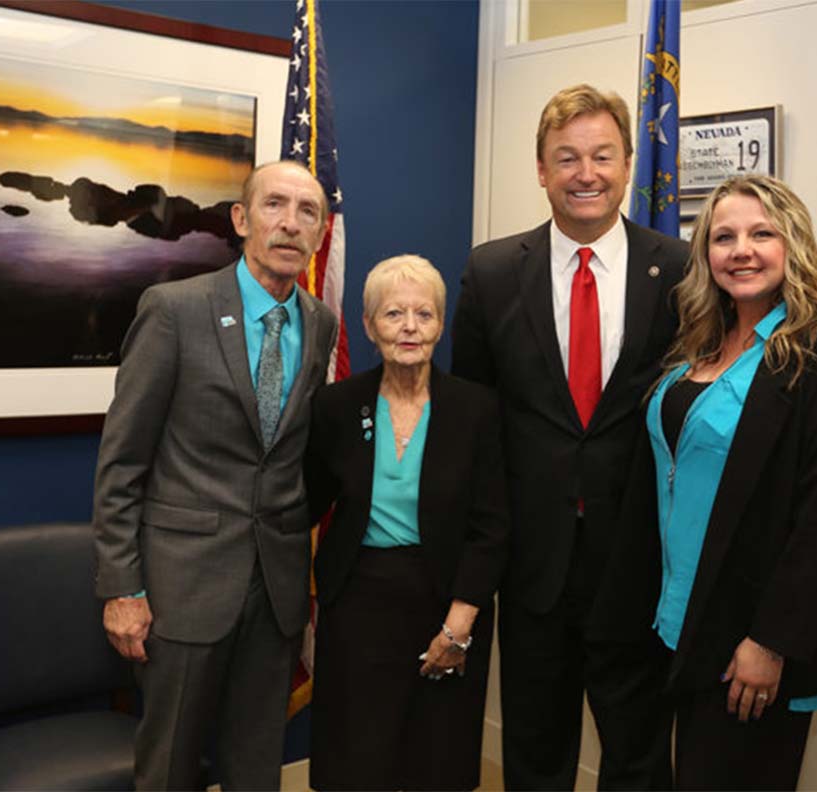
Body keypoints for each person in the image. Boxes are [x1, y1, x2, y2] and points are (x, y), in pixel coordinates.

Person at [452, 83, 689, 790]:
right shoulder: (492, 271)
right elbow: (474, 420)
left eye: (602, 156)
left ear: (626, 168)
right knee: (534, 752)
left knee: (639, 757)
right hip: (533, 565)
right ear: (541, 169)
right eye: (567, 158)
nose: (586, 173)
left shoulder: (680, 271)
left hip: (639, 560)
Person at [614, 173, 817, 791]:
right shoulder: (696, 343)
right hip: (677, 621)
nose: (742, 250)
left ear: (793, 246)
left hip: (749, 642)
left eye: (762, 233)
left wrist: (770, 642)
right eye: (724, 236)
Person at [93, 160, 338, 791]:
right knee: (171, 765)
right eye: (274, 205)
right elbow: (122, 461)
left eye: (306, 211)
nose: (289, 224)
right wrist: (123, 587)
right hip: (185, 589)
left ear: (320, 230)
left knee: (257, 767)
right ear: (240, 218)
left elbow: (294, 453)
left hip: (276, 588)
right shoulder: (175, 310)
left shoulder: (320, 325)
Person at [304, 254, 509, 791]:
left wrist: (459, 626)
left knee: (437, 760)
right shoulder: (336, 405)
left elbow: (492, 527)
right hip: (357, 601)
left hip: (446, 601)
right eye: (394, 314)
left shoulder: (476, 409)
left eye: (424, 314)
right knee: (356, 757)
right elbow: (303, 502)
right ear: (369, 326)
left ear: (442, 324)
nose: (410, 328)